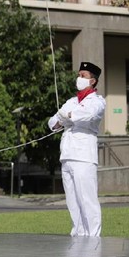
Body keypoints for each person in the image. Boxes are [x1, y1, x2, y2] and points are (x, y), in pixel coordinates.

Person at [48, 61, 106, 237]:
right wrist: (63, 117)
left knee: (87, 199)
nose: (79, 78)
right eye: (79, 75)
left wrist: (68, 116)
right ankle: (78, 234)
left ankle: (93, 235)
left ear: (93, 81)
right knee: (72, 200)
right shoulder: (72, 101)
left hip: (83, 156)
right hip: (67, 155)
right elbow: (53, 122)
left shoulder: (97, 101)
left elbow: (86, 115)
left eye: (83, 76)